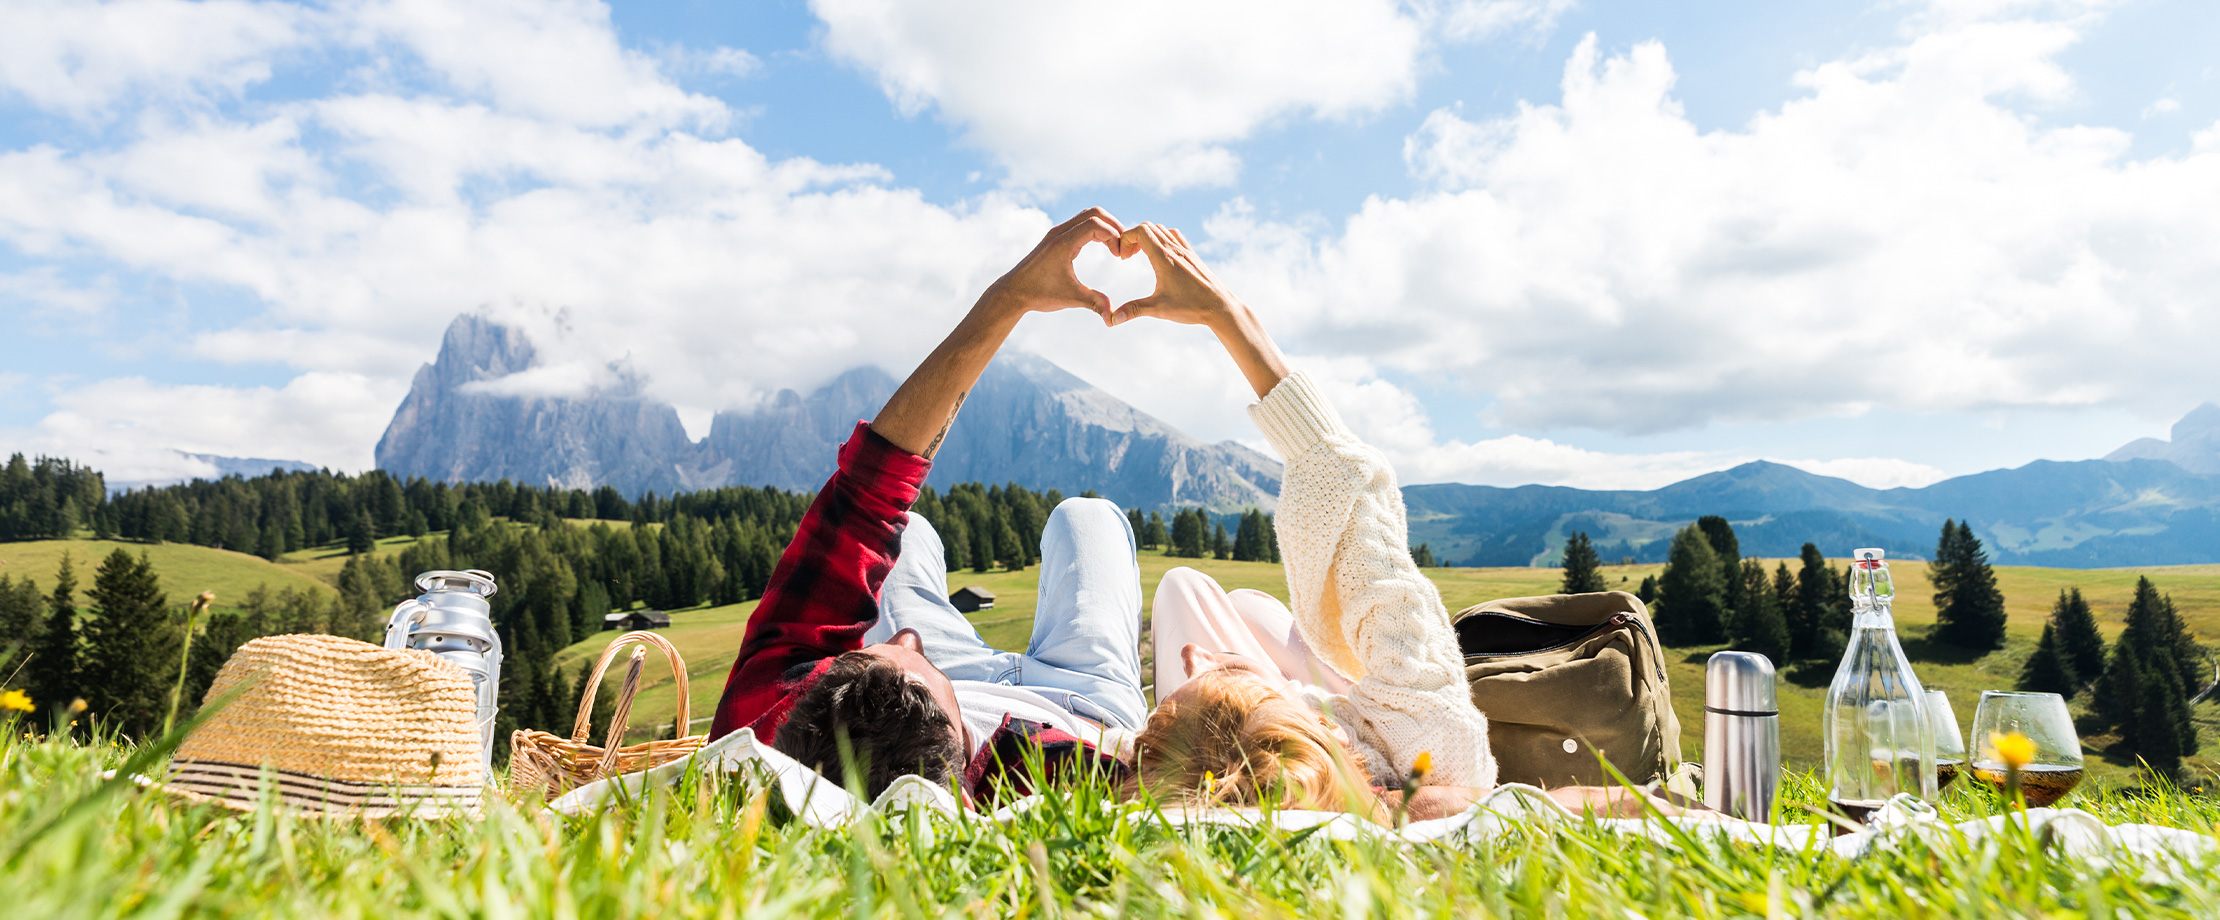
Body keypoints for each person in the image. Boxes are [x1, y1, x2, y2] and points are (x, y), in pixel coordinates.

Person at [1111, 221, 1677, 822]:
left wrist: (1239, 696)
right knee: (1207, 598)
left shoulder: (1358, 794)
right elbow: (1363, 517)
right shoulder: (1432, 755)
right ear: (1307, 733)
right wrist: (1230, 317)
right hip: (1357, 728)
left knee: (1193, 590)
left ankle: (1257, 687)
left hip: (1305, 738)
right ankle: (1270, 686)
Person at [708, 208, 1142, 801]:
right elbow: (1197, 776)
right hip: (1083, 700)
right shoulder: (1058, 778)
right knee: (1086, 517)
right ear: (964, 770)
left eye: (867, 658)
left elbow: (865, 499)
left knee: (903, 530)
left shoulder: (771, 721)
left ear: (819, 683)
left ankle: (916, 674)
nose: (907, 636)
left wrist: (1008, 298)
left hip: (954, 677)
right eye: (912, 653)